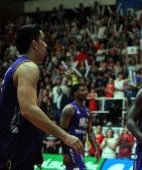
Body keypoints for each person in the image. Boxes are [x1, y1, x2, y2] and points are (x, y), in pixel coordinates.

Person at [0, 24, 84, 169]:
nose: (45, 45)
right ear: (35, 44)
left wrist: (34, 149)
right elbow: (29, 110)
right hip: (12, 149)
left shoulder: (16, 67)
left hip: (15, 146)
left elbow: (24, 115)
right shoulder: (28, 68)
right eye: (43, 40)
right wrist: (64, 136)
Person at [60, 84, 100, 169]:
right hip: (71, 148)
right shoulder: (69, 109)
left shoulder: (87, 111)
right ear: (75, 93)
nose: (86, 92)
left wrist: (96, 149)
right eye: (82, 90)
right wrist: (65, 153)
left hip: (81, 149)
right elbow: (62, 132)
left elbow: (90, 132)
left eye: (86, 90)